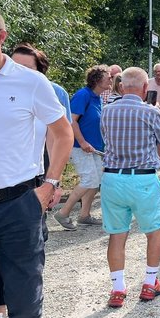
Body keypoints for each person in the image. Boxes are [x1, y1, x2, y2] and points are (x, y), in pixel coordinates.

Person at [0, 6, 74, 318]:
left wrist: (50, 183)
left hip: (17, 206)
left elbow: (62, 132)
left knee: (25, 304)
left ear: (0, 36)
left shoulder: (29, 82)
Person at [100, 67, 160, 308]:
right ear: (144, 88)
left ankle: (118, 289)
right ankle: (150, 283)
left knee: (117, 234)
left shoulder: (107, 111)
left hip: (113, 179)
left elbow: (105, 138)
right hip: (142, 179)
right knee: (154, 231)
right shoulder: (150, 112)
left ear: (121, 87)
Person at [54, 65, 111, 230]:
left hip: (94, 147)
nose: (111, 79)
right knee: (89, 180)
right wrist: (83, 141)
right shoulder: (83, 95)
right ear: (98, 80)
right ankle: (63, 213)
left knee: (97, 179)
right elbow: (71, 121)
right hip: (80, 146)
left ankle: (84, 215)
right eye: (108, 76)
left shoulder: (97, 97)